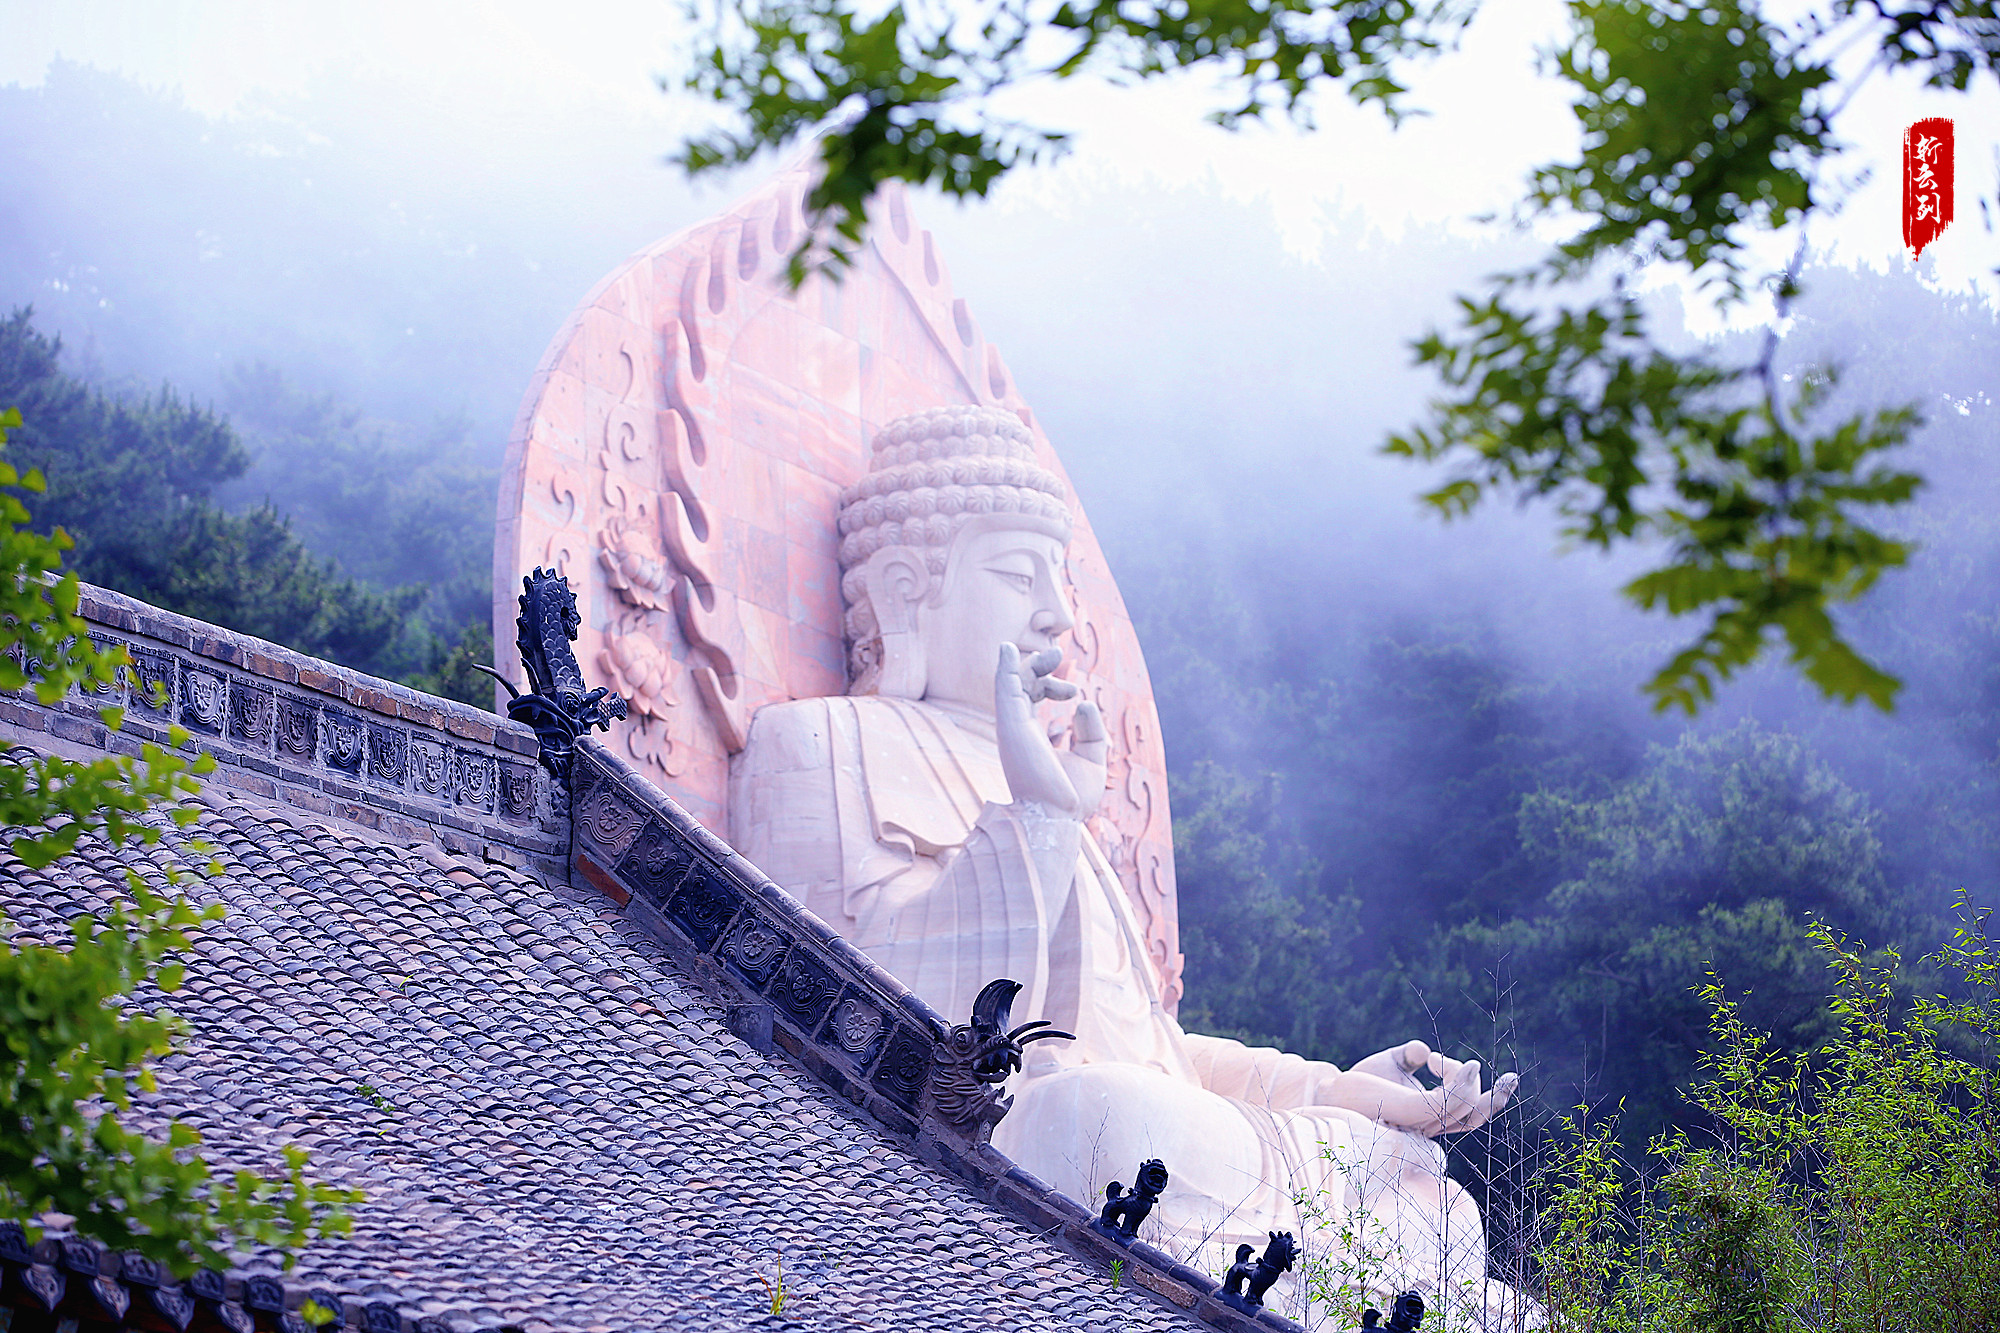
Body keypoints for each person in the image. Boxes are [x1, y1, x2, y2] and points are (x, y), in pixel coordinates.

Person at [731, 405, 1520, 1312]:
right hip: (1004, 1139)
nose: (1056, 616)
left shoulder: (1053, 784)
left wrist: (1347, 1096)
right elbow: (855, 1014)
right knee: (1093, 1113)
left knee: (1412, 1170)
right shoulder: (818, 742)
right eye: (1017, 573)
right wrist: (1037, 815)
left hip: (1177, 1128)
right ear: (907, 588)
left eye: (1058, 582)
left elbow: (1155, 1048)